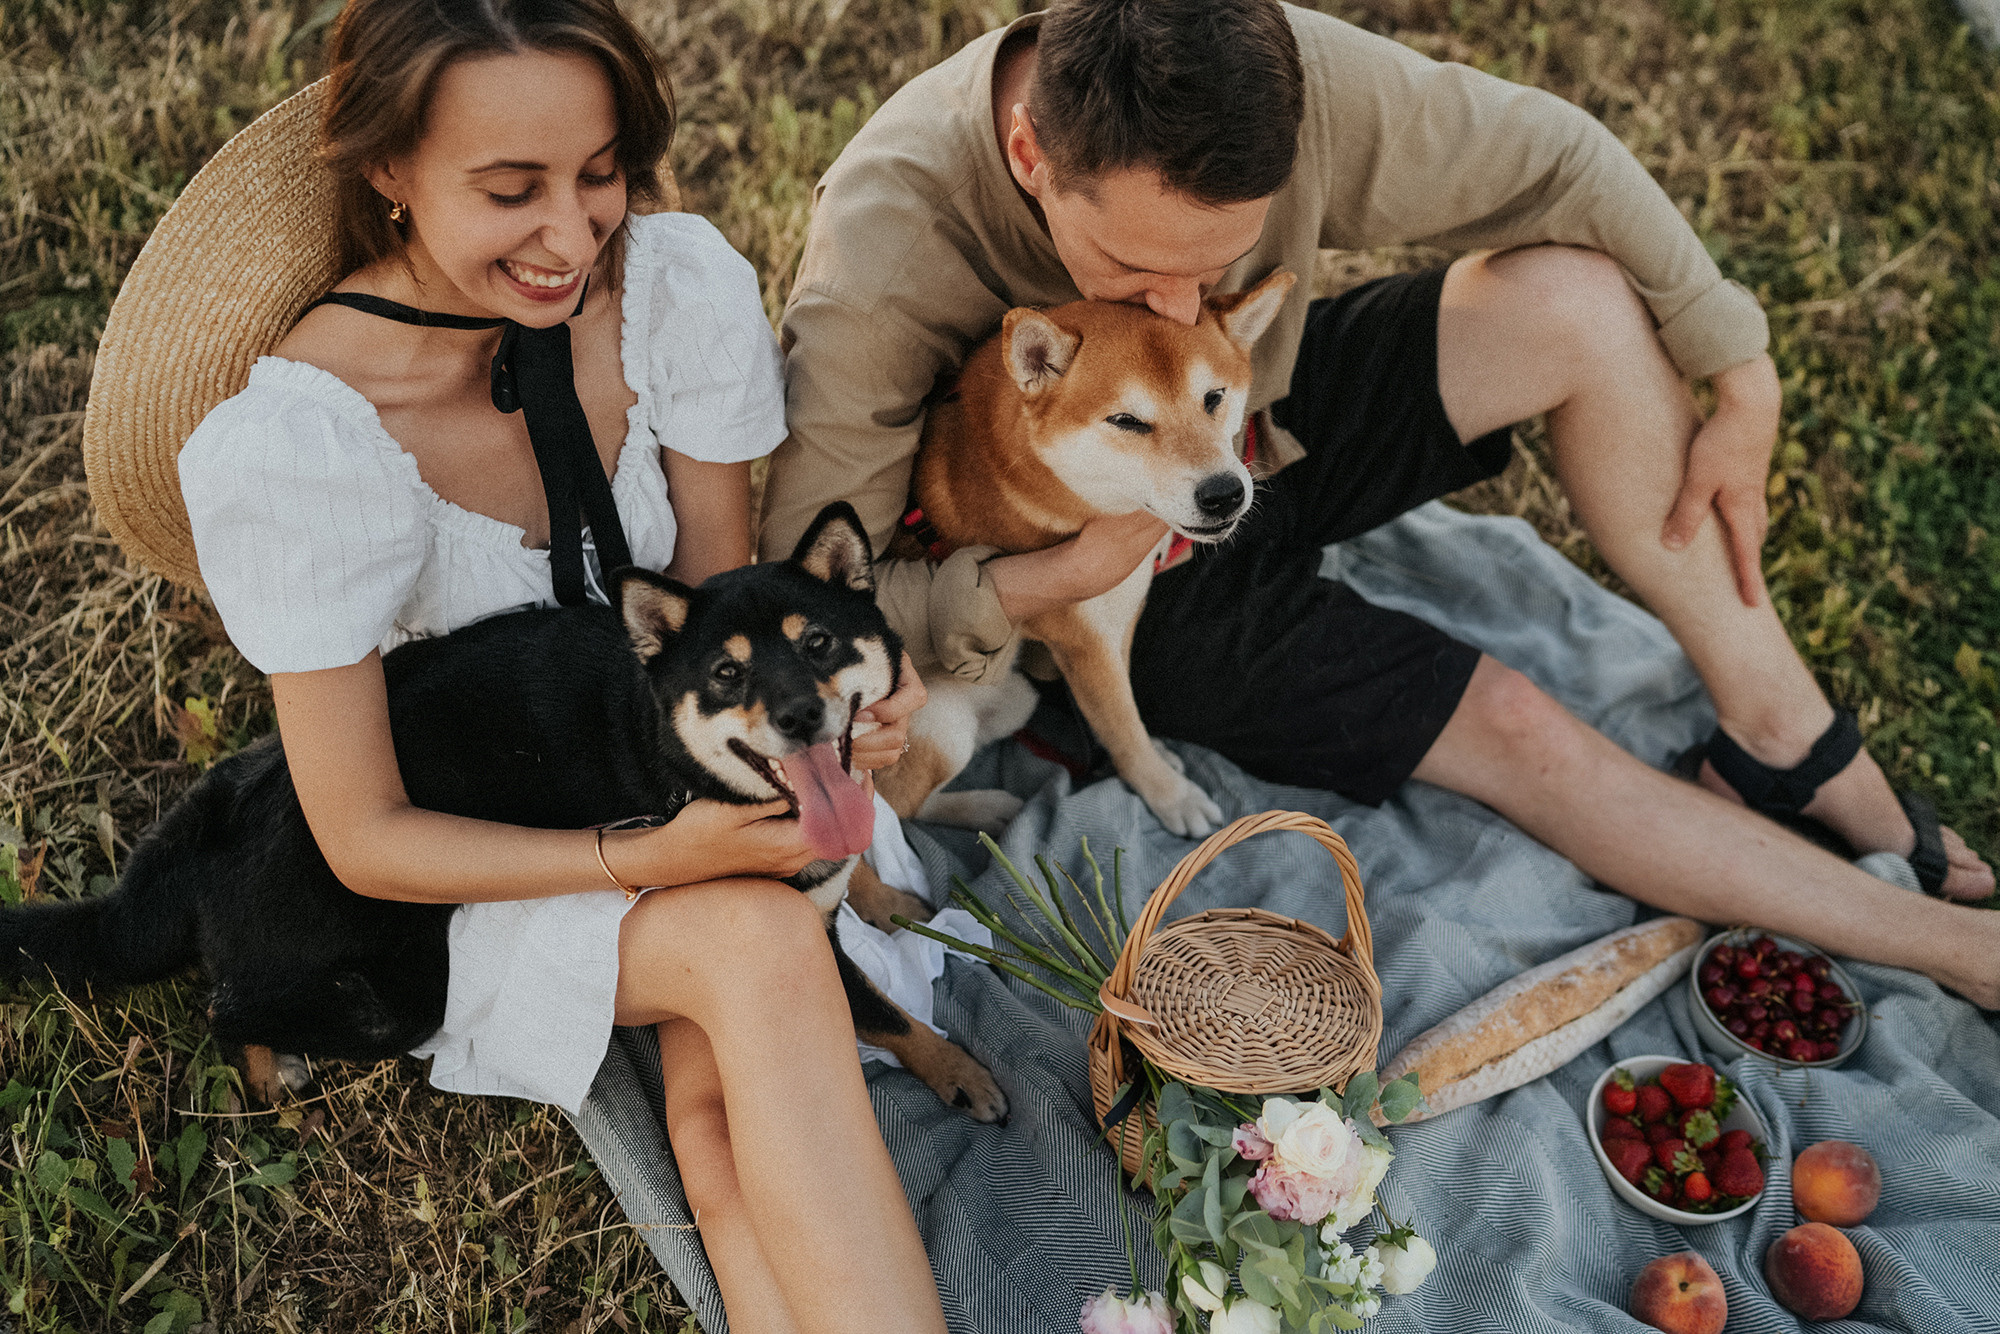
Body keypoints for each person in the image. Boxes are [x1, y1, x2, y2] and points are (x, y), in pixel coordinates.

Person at [759, 0, 2000, 1008]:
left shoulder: (1267, 73)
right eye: (1135, 270)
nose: (1183, 302)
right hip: (1117, 591)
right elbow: (811, 600)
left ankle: (1775, 726)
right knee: (1514, 721)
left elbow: (1564, 157)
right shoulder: (884, 239)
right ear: (1030, 153)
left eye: (1217, 263)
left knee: (1572, 296)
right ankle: (1944, 944)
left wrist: (1740, 363)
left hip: (1259, 430)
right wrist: (1047, 582)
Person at [151, 1, 941, 1329]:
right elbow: (366, 837)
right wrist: (652, 859)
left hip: (684, 783)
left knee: (716, 1105)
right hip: (478, 854)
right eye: (510, 190)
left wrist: (851, 727)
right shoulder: (305, 447)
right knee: (755, 953)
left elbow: (725, 618)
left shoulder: (674, 289)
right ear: (387, 170)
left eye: (599, 174)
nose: (574, 236)